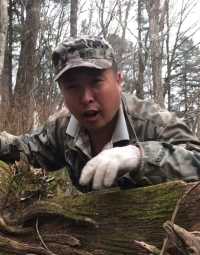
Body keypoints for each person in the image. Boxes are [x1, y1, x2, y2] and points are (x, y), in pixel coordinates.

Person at [1, 36, 200, 193]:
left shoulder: (154, 123)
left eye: (96, 82)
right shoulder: (62, 127)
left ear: (119, 81)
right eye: (72, 87)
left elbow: (196, 161)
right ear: (62, 91)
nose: (86, 97)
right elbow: (26, 148)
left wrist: (140, 156)